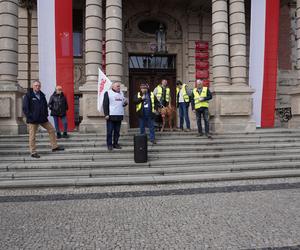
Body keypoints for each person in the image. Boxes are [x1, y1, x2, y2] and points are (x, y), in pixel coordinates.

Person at [22, 80, 64, 158]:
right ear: (33, 86)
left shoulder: (42, 95)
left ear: (40, 86)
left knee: (51, 129)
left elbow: (45, 106)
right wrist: (31, 116)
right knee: (32, 136)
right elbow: (25, 108)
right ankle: (33, 152)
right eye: (36, 85)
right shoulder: (28, 95)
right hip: (33, 120)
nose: (37, 87)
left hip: (42, 118)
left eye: (38, 85)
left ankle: (54, 147)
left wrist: (46, 115)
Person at [103, 82, 128, 151]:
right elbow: (105, 104)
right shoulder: (108, 93)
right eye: (117, 86)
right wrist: (106, 114)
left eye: (119, 86)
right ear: (113, 87)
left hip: (119, 115)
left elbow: (122, 104)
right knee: (110, 131)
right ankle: (109, 145)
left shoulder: (121, 93)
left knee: (117, 131)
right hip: (111, 115)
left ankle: (115, 143)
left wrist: (125, 103)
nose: (119, 87)